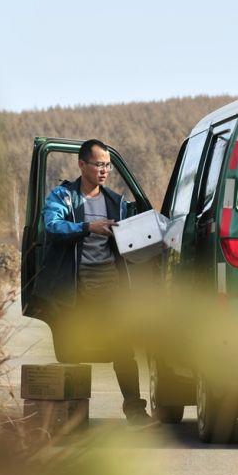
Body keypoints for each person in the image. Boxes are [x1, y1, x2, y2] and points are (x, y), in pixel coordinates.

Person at [33, 139, 154, 426]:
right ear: (82, 165)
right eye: (99, 164)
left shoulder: (117, 202)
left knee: (123, 351)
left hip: (111, 290)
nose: (104, 170)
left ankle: (135, 412)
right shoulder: (63, 197)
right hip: (75, 292)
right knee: (75, 351)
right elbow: (51, 227)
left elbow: (134, 238)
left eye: (108, 165)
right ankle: (71, 418)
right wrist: (88, 227)